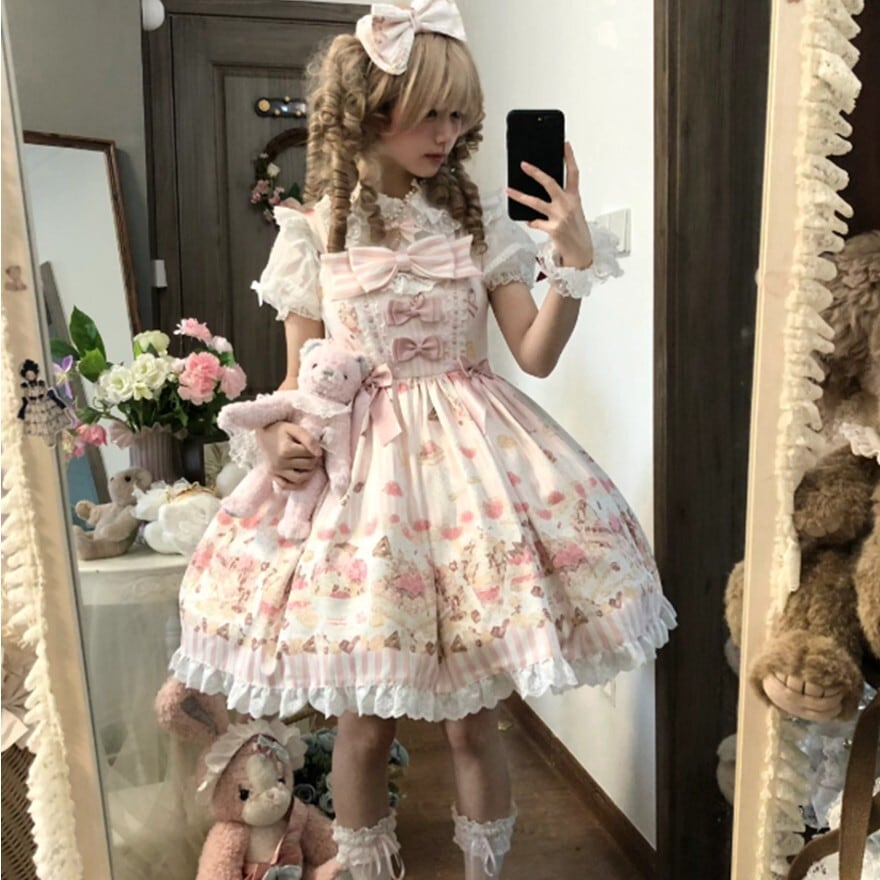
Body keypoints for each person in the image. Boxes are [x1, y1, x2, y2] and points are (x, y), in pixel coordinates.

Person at [170, 1, 676, 877]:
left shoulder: (479, 223)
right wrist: (277, 438)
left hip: (473, 479)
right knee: (364, 724)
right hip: (363, 490)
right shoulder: (312, 231)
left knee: (476, 719)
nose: (448, 134)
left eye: (458, 116)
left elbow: (535, 354)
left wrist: (573, 261)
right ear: (371, 110)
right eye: (430, 113)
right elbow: (297, 379)